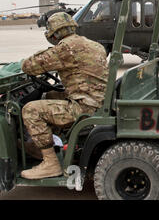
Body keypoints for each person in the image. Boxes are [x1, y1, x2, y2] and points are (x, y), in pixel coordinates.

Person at [20, 12, 109, 180]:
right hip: (97, 102)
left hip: (83, 108)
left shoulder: (65, 49)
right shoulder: (95, 45)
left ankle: (50, 163)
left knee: (31, 110)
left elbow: (28, 66)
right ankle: (43, 147)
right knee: (49, 96)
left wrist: (48, 51)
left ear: (54, 35)